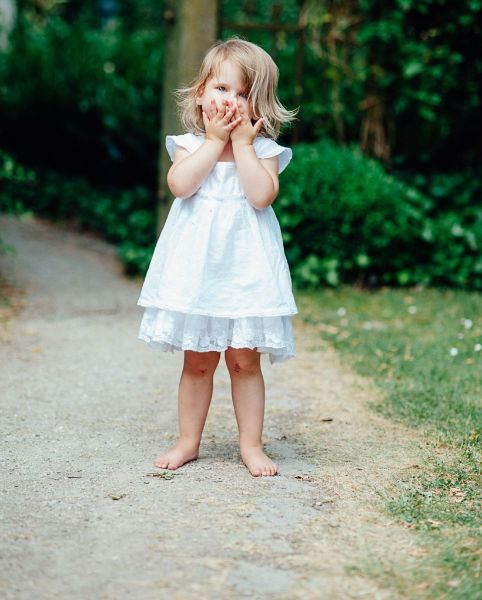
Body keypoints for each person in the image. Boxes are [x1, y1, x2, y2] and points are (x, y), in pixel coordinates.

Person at [137, 37, 299, 477]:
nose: (231, 101)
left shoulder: (262, 151)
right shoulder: (190, 144)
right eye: (222, 89)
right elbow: (181, 185)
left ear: (259, 106)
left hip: (245, 272)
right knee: (199, 360)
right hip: (199, 272)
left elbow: (261, 196)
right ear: (201, 94)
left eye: (244, 94)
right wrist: (214, 141)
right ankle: (188, 440)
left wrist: (243, 145)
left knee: (245, 361)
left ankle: (251, 445)